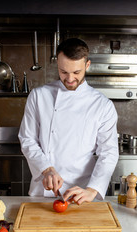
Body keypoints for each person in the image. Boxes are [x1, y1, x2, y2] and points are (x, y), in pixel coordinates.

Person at [18, 38, 119, 204]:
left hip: (81, 193)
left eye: (76, 72)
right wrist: (46, 169)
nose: (70, 78)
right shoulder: (39, 96)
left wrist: (92, 190)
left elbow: (108, 152)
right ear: (57, 64)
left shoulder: (102, 105)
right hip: (43, 191)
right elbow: (27, 139)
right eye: (63, 72)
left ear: (87, 65)